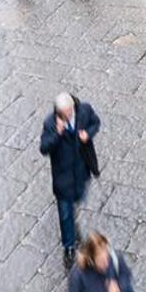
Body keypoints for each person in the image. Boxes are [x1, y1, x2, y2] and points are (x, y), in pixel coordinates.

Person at [40, 94, 102, 263]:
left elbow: (96, 123)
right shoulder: (51, 124)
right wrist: (57, 134)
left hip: (81, 171)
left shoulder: (84, 111)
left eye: (70, 112)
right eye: (64, 113)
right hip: (63, 177)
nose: (68, 116)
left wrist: (87, 134)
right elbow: (44, 148)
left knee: (78, 198)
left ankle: (73, 218)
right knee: (65, 213)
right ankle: (68, 246)